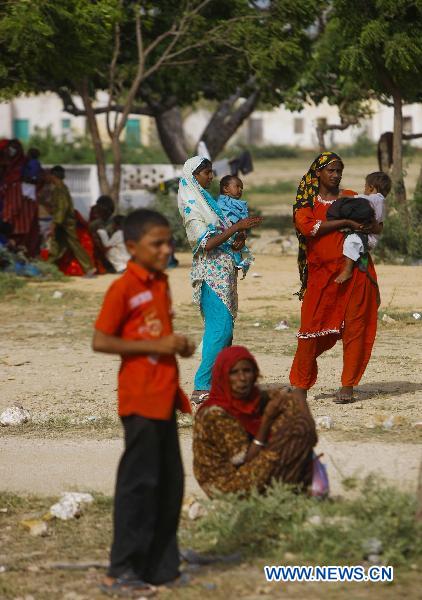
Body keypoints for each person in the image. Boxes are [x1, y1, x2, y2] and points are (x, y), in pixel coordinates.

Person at [92, 209, 195, 595]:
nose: (166, 249)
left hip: (165, 394)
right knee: (139, 485)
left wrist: (177, 346)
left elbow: (157, 336)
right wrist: (155, 345)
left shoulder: (160, 282)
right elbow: (101, 341)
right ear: (132, 247)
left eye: (169, 242)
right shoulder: (123, 288)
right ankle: (120, 571)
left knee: (169, 484)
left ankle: (159, 567)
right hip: (140, 399)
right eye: (157, 243)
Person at [289, 151, 380, 404]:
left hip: (356, 274)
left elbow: (374, 224)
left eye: (339, 170)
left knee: (355, 329)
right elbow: (309, 228)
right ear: (318, 173)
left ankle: (348, 386)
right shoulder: (307, 203)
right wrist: (346, 221)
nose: (336, 175)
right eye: (331, 170)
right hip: (320, 276)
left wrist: (361, 224)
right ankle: (300, 385)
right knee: (309, 330)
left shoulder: (350, 197)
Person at [178, 156, 262, 404]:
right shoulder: (193, 209)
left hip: (224, 273)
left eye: (212, 172)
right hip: (210, 275)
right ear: (194, 176)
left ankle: (220, 382)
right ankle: (201, 385)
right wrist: (236, 228)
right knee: (219, 329)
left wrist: (238, 239)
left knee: (226, 331)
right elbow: (206, 243)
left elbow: (221, 237)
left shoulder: (209, 204)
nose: (211, 177)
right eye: (207, 173)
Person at [193, 346, 317, 496]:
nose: (242, 378)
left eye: (247, 371)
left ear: (255, 373)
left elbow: (290, 402)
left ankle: (290, 491)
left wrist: (297, 395)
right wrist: (267, 421)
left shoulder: (252, 398)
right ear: (222, 376)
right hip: (225, 484)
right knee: (296, 436)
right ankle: (287, 492)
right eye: (234, 373)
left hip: (247, 469)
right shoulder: (215, 413)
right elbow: (243, 459)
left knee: (296, 422)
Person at [331, 172, 391, 284]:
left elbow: (361, 198)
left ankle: (347, 270)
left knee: (351, 242)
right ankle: (360, 262)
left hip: (369, 237)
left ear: (371, 187)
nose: (364, 190)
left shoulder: (376, 199)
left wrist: (344, 196)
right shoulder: (382, 202)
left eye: (365, 187)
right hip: (370, 235)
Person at [47, 165, 96, 276]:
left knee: (72, 244)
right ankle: (49, 269)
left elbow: (62, 208)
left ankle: (89, 268)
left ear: (53, 176)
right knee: (58, 245)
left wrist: (55, 223)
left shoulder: (59, 189)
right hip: (64, 222)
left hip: (65, 223)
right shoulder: (62, 188)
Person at [217, 175, 253, 276]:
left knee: (233, 272)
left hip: (237, 242)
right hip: (223, 241)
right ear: (226, 188)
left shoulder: (239, 205)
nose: (240, 190)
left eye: (241, 188)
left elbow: (243, 223)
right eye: (237, 186)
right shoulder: (221, 204)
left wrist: (243, 234)